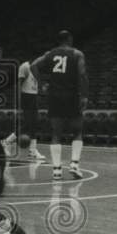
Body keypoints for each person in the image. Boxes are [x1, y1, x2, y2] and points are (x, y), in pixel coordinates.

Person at [29, 30, 88, 180]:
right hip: (72, 95)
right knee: (77, 131)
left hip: (54, 96)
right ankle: (74, 164)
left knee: (56, 134)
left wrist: (42, 83)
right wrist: (84, 95)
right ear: (70, 39)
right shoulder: (77, 54)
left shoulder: (50, 54)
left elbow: (33, 65)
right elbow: (82, 74)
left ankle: (56, 170)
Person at [2, 60, 45, 161]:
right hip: (26, 97)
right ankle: (6, 142)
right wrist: (19, 101)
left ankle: (33, 151)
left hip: (33, 97)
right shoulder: (25, 66)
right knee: (27, 123)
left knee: (33, 124)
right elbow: (18, 84)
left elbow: (34, 85)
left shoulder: (36, 68)